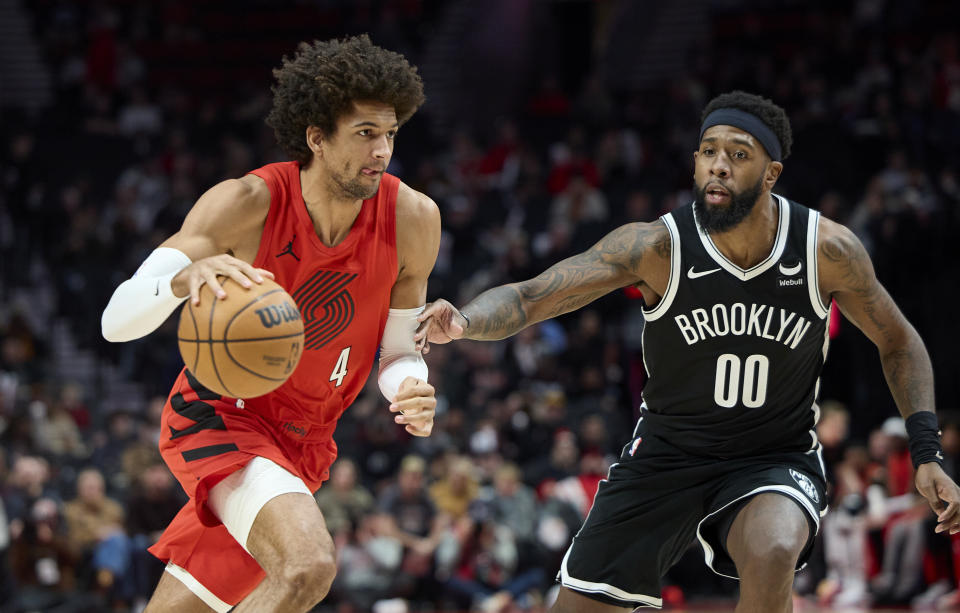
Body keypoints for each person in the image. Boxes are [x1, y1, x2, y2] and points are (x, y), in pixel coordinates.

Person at [415, 91, 960, 612]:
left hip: (773, 456)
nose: (717, 166)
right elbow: (533, 295)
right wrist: (464, 320)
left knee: (772, 550)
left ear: (772, 173)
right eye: (708, 152)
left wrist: (927, 452)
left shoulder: (825, 249)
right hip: (665, 456)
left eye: (737, 154)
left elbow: (899, 339)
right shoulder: (656, 246)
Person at [101, 34, 441, 612]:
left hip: (307, 442)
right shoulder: (245, 203)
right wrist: (181, 282)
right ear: (316, 137)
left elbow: (397, 349)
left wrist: (408, 385)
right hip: (220, 415)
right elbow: (115, 321)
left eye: (390, 134)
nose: (382, 150)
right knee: (308, 567)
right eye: (364, 134)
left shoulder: (413, 218)